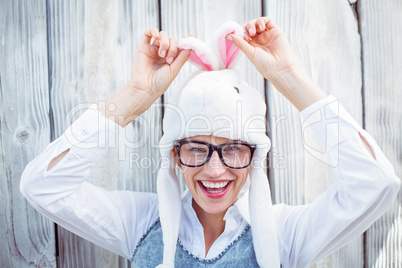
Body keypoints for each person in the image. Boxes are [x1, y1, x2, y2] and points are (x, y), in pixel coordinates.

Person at [20, 17, 400, 268]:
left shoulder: (286, 234)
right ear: (175, 156)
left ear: (256, 156)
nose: (215, 169)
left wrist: (288, 76)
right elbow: (43, 186)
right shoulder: (139, 224)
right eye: (197, 148)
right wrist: (135, 96)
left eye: (234, 147)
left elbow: (377, 183)